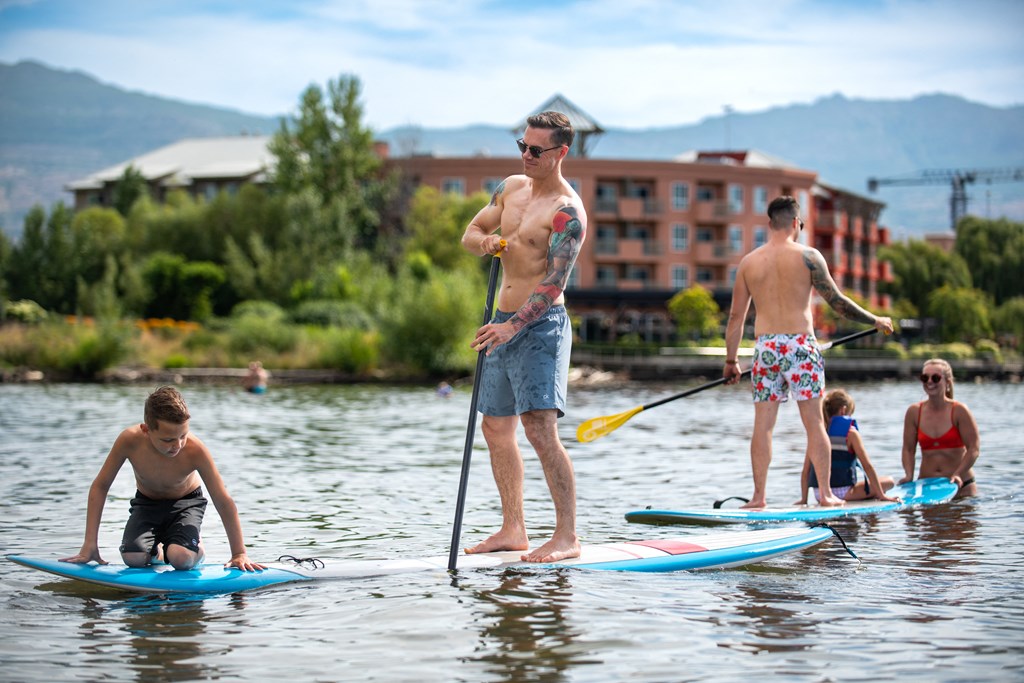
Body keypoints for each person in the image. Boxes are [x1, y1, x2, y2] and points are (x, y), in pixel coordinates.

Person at [459, 111, 587, 563]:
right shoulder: (510, 188)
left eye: (537, 150)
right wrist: (487, 245)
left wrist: (512, 326)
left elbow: (553, 284)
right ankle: (514, 528)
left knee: (540, 431)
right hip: (500, 324)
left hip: (541, 328)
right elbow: (471, 233)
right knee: (495, 427)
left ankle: (567, 536)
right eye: (522, 146)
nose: (527, 156)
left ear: (560, 153)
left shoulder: (566, 213)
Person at [723, 195, 894, 509]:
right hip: (802, 346)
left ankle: (758, 497)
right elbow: (838, 302)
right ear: (795, 223)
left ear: (769, 223)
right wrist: (876, 320)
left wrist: (731, 361)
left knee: (763, 424)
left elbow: (736, 317)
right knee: (814, 423)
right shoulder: (809, 257)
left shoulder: (748, 263)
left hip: (767, 348)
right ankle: (826, 494)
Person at [61, 386, 263, 571]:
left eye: (183, 435)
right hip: (147, 503)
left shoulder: (196, 450)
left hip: (186, 503)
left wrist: (239, 553)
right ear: (146, 430)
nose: (178, 445)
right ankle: (158, 549)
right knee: (133, 558)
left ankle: (194, 549)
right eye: (168, 439)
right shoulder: (129, 441)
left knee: (181, 559)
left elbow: (222, 499)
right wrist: (90, 544)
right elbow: (101, 486)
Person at [797, 389, 899, 505]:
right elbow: (868, 466)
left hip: (819, 494)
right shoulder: (851, 433)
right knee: (889, 481)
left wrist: (804, 500)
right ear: (843, 410)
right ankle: (873, 495)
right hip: (845, 492)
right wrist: (882, 495)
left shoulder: (818, 435)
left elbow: (806, 471)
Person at [900, 358, 980, 498]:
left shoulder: (959, 410)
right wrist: (908, 475)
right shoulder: (914, 411)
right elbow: (908, 449)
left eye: (935, 378)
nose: (929, 381)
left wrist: (957, 473)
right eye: (925, 377)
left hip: (961, 485)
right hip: (927, 487)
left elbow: (974, 449)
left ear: (947, 381)